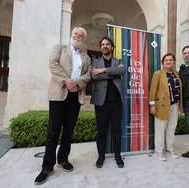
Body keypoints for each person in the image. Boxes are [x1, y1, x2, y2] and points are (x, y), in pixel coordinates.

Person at [34, 27, 91, 185]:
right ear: (72, 35)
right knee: (53, 132)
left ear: (83, 40)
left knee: (69, 131)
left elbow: (88, 74)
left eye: (81, 36)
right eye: (76, 34)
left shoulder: (86, 57)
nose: (78, 37)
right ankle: (47, 167)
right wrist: (67, 81)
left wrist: (77, 83)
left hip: (75, 96)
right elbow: (53, 64)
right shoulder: (60, 48)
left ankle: (63, 160)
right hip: (59, 95)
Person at [90, 36, 125, 168]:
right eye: (103, 44)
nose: (105, 46)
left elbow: (122, 70)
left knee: (117, 130)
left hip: (116, 101)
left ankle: (118, 156)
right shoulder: (95, 62)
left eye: (107, 44)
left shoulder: (118, 61)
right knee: (101, 130)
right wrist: (113, 73)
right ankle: (101, 156)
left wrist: (104, 70)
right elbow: (94, 75)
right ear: (101, 47)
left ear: (112, 47)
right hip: (101, 102)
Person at [149, 53, 183, 161]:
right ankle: (158, 151)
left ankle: (169, 149)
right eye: (166, 60)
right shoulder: (158, 74)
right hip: (162, 105)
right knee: (160, 129)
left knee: (171, 128)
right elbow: (153, 90)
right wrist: (152, 104)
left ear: (173, 61)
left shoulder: (176, 74)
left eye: (170, 60)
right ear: (162, 62)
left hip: (174, 104)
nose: (168, 62)